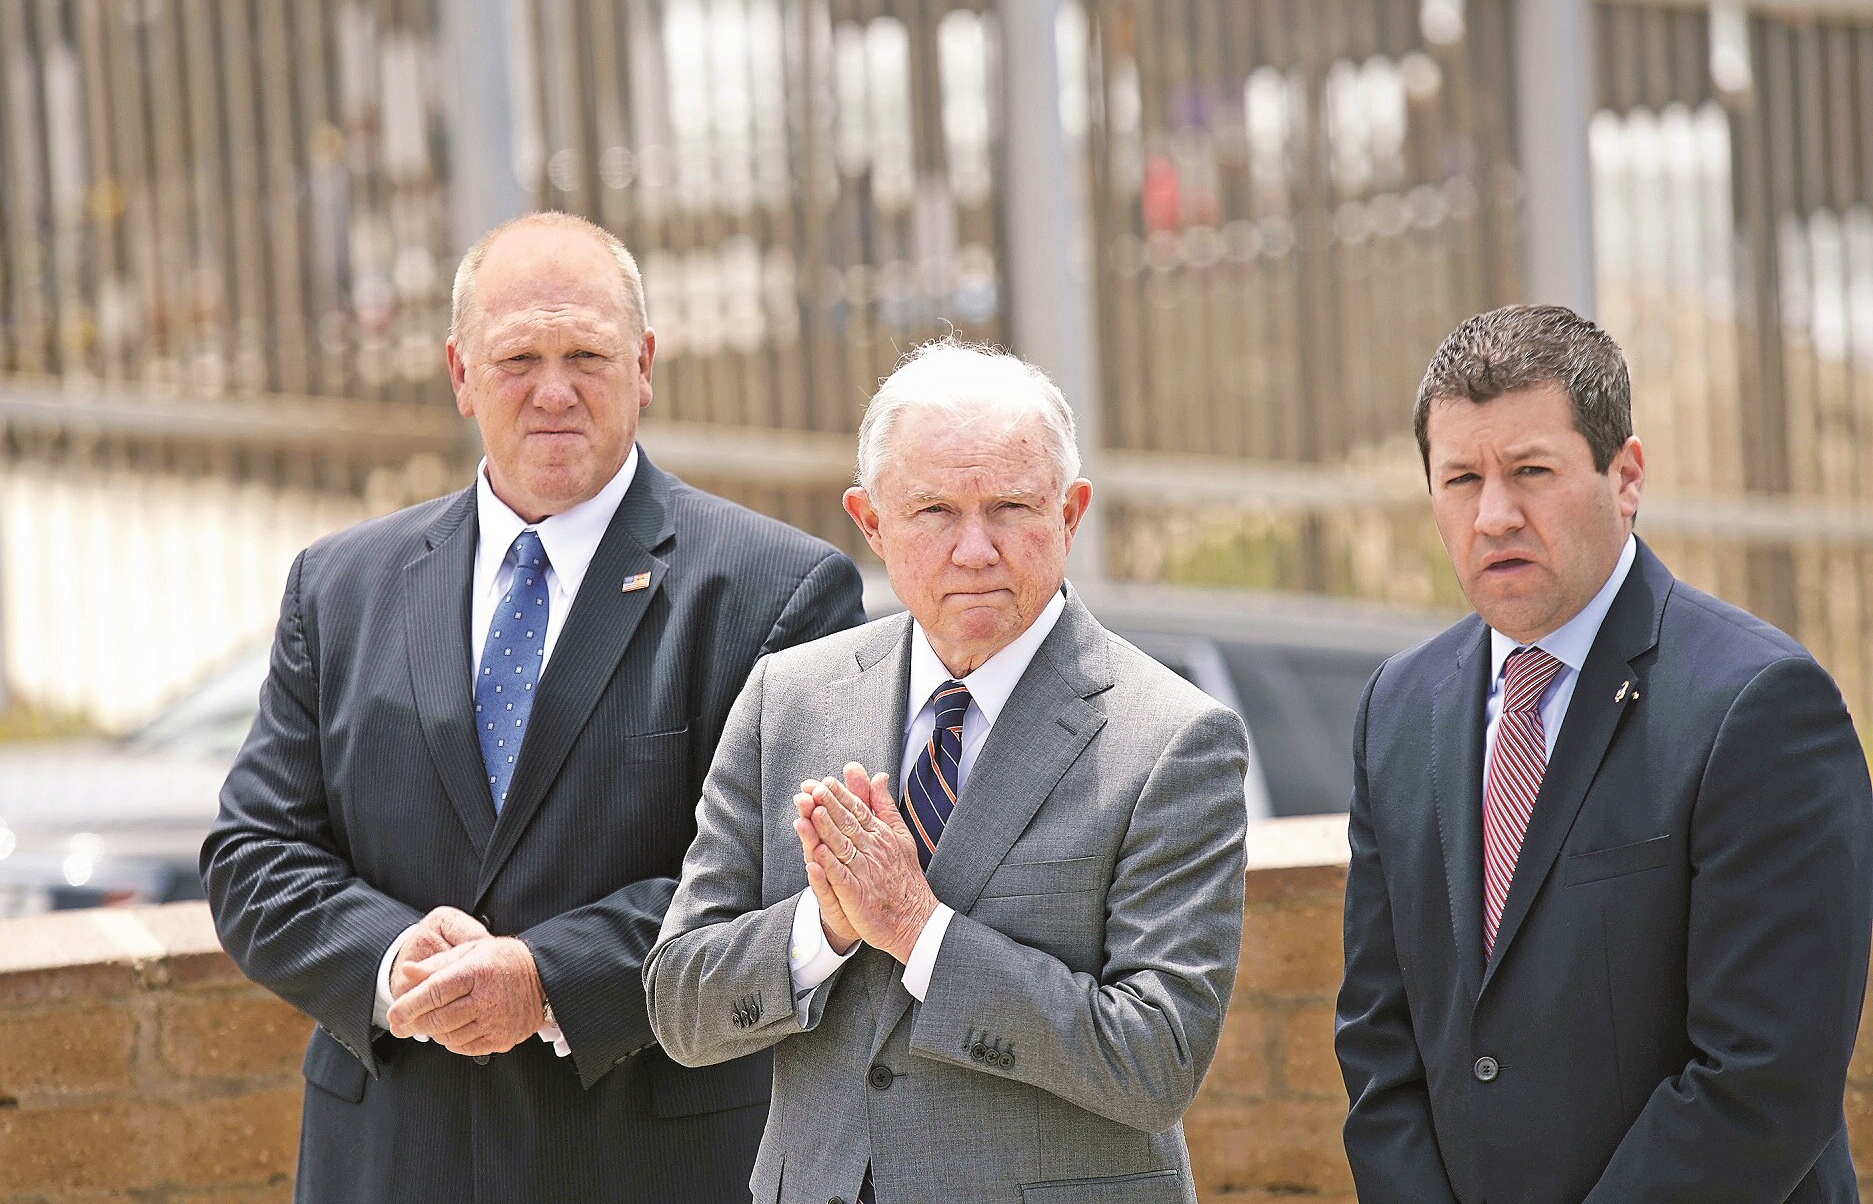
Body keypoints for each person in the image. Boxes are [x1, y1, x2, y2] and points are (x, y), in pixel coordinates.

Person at [201, 211, 863, 1203]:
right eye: (518, 358)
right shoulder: (338, 588)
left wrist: (548, 977)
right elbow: (254, 853)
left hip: (649, 1164)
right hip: (390, 1159)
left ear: (643, 365)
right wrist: (391, 957)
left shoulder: (776, 590)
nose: (554, 390)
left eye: (586, 355)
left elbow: (784, 879)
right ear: (459, 373)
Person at [644, 340, 1249, 1204]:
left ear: (1071, 512)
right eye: (934, 511)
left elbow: (1157, 1059)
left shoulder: (1172, 739)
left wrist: (920, 931)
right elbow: (679, 1006)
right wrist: (825, 927)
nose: (975, 549)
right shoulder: (788, 698)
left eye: (1010, 507)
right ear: (871, 523)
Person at [1334, 303, 1873, 1203]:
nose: (1494, 515)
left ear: (1626, 476)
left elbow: (1765, 1080)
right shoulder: (1397, 709)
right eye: (1461, 478)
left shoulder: (1761, 707)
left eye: (1531, 472)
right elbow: (1378, 1045)